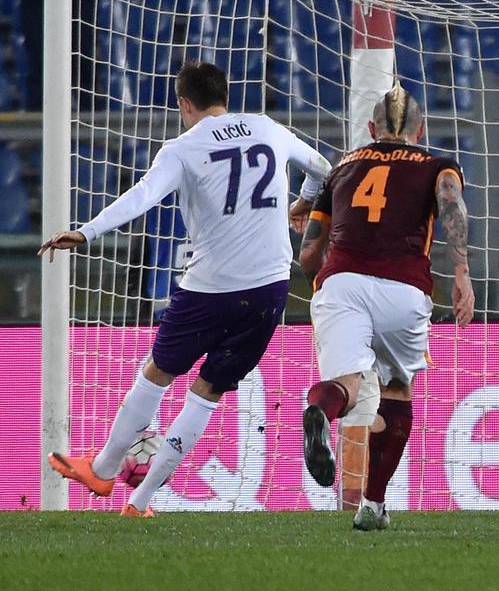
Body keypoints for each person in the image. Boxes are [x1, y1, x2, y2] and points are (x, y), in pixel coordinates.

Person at [43, 61, 332, 517]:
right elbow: (323, 168)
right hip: (271, 289)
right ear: (226, 96)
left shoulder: (182, 148)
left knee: (157, 373)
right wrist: (303, 202)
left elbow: (142, 197)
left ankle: (103, 469)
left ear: (184, 103)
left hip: (211, 289)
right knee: (207, 391)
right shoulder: (267, 128)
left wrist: (86, 231)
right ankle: (139, 502)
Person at [299, 81, 474, 531]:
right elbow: (451, 207)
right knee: (395, 389)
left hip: (342, 283)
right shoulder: (438, 166)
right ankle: (373, 505)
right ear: (421, 129)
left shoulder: (342, 167)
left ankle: (320, 411)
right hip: (403, 288)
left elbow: (308, 256)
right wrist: (461, 273)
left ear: (372, 128)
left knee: (347, 386)